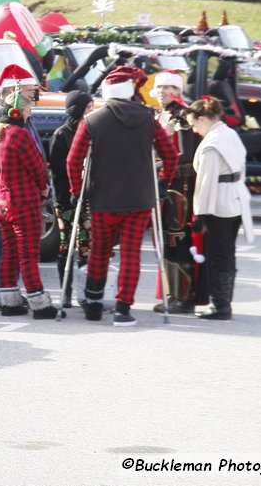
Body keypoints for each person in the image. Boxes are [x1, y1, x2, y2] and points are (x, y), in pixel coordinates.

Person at [67, 66, 179, 326]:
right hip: (139, 198)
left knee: (99, 251)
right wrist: (164, 183)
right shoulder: (148, 118)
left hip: (103, 198)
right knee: (131, 254)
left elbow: (73, 161)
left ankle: (94, 304)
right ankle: (123, 309)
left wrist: (76, 191)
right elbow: (170, 155)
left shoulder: (92, 120)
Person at [0, 63, 44, 311]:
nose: (31, 96)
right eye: (27, 91)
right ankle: (0, 294)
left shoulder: (16, 112)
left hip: (11, 190)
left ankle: (10, 294)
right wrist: (4, 185)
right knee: (4, 245)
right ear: (10, 90)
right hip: (4, 192)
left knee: (12, 246)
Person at [0, 87, 58, 318]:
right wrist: (44, 187)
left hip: (0, 200)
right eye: (27, 110)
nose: (29, 115)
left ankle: (10, 302)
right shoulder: (20, 134)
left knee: (9, 251)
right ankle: (39, 303)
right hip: (22, 200)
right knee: (28, 255)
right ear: (17, 112)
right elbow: (37, 166)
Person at [187, 96, 253, 320]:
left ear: (203, 118)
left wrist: (200, 213)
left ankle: (221, 305)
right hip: (236, 197)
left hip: (218, 203)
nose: (194, 130)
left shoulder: (211, 145)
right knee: (227, 254)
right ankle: (224, 303)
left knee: (218, 256)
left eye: (194, 124)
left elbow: (205, 183)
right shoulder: (229, 133)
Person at [149, 70, 201, 314]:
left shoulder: (181, 116)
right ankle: (173, 294)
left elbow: (184, 155)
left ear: (178, 91)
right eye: (160, 87)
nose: (163, 92)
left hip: (179, 187)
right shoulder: (164, 114)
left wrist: (157, 163)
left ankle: (182, 297)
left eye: (169, 88)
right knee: (168, 239)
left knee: (177, 238)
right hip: (167, 184)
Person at [48, 90, 94, 307]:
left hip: (88, 196)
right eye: (88, 108)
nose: (91, 112)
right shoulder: (62, 134)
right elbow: (57, 168)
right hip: (66, 197)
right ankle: (65, 291)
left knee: (86, 245)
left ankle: (85, 292)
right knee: (67, 245)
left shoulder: (93, 131)